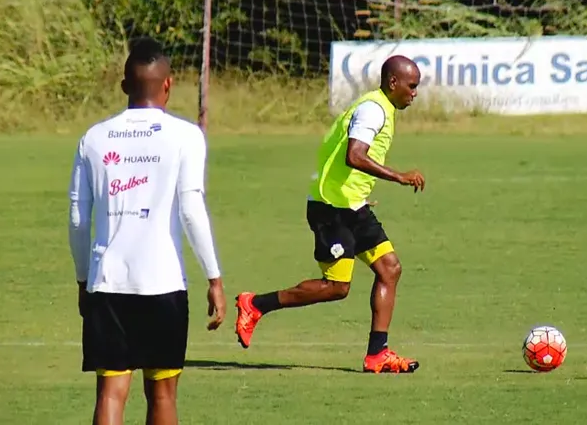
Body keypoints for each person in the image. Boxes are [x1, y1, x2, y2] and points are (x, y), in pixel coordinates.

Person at [68, 37, 227, 424]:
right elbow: (191, 209)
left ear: (124, 85)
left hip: (108, 283)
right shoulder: (186, 135)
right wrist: (214, 277)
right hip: (163, 284)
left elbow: (78, 217)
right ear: (168, 84)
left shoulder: (94, 138)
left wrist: (83, 280)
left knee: (110, 393)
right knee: (162, 394)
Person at [233, 55, 426, 373]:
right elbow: (355, 155)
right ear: (393, 82)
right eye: (412, 86)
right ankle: (255, 305)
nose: (415, 93)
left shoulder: (382, 108)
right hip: (331, 208)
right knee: (337, 287)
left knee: (390, 269)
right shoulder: (373, 110)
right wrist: (399, 176)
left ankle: (377, 354)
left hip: (352, 205)